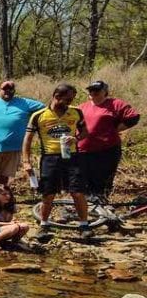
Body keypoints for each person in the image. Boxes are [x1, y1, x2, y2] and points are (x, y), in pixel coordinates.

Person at [22, 83, 91, 239]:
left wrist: (76, 138)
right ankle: (44, 225)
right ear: (56, 96)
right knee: (48, 193)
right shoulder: (39, 115)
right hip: (50, 158)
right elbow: (27, 140)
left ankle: (84, 225)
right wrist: (26, 162)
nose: (69, 103)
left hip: (72, 156)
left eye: (72, 99)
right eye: (67, 99)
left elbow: (85, 132)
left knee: (77, 191)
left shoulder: (76, 112)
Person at [77, 80, 140, 201]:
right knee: (83, 184)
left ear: (105, 92)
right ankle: (86, 211)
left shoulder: (115, 104)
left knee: (102, 183)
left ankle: (102, 210)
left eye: (97, 90)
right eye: (91, 90)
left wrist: (115, 129)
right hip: (83, 151)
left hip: (106, 151)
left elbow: (133, 117)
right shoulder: (82, 107)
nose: (93, 93)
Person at [0, 184, 28, 253]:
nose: (8, 196)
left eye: (8, 194)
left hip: (6, 230)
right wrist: (9, 224)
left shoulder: (11, 205)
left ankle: (14, 244)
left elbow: (11, 220)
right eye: (4, 194)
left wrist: (14, 221)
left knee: (25, 226)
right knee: (14, 227)